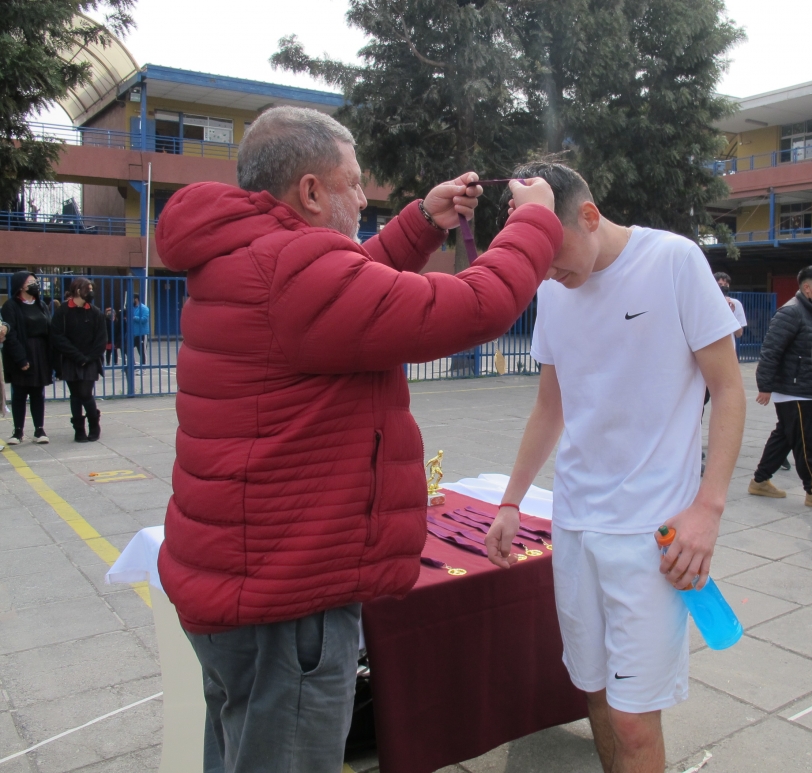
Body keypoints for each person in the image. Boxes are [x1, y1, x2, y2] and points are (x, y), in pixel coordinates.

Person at [154, 105, 562, 773]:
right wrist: (534, 224)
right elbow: (473, 307)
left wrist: (422, 222)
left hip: (241, 581)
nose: (364, 196)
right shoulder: (292, 268)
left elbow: (350, 287)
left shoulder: (251, 253)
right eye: (353, 181)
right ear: (311, 191)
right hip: (289, 598)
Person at [486, 162, 746, 773]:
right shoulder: (553, 288)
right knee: (596, 693)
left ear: (589, 215)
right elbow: (551, 406)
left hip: (651, 532)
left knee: (634, 719)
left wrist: (708, 509)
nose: (546, 272)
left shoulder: (673, 261)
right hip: (576, 522)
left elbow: (729, 390)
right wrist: (511, 500)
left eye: (552, 254)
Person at [747, 266, 812, 510]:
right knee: (805, 440)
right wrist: (765, 385)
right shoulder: (791, 312)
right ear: (807, 288)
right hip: (793, 390)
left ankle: (760, 481)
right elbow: (771, 350)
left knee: (785, 436)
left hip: (808, 388)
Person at [50, 278, 107, 442]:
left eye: (92, 289)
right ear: (77, 290)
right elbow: (57, 337)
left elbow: (101, 339)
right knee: (75, 395)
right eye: (87, 289)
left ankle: (94, 424)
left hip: (90, 361)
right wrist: (76, 356)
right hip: (70, 359)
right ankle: (79, 429)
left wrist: (89, 358)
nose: (91, 292)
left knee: (85, 393)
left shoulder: (96, 313)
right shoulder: (63, 312)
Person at [1, 272, 53, 444]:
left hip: (40, 353)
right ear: (21, 286)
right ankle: (18, 431)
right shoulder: (11, 306)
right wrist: (21, 359)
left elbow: (48, 329)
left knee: (38, 392)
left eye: (35, 281)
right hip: (22, 351)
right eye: (30, 282)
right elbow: (11, 335)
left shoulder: (41, 305)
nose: (35, 284)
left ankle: (39, 429)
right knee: (20, 393)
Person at [713, 272, 745, 338]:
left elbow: (739, 334)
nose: (723, 286)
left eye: (726, 285)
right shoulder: (707, 303)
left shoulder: (735, 304)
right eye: (720, 284)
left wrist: (730, 314)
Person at [131, 294, 149, 365]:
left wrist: (134, 317)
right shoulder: (132, 308)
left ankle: (143, 367)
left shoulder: (144, 308)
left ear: (136, 299)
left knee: (141, 351)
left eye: (132, 299)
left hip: (142, 333)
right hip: (133, 333)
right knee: (128, 349)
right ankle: (133, 365)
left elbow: (144, 319)